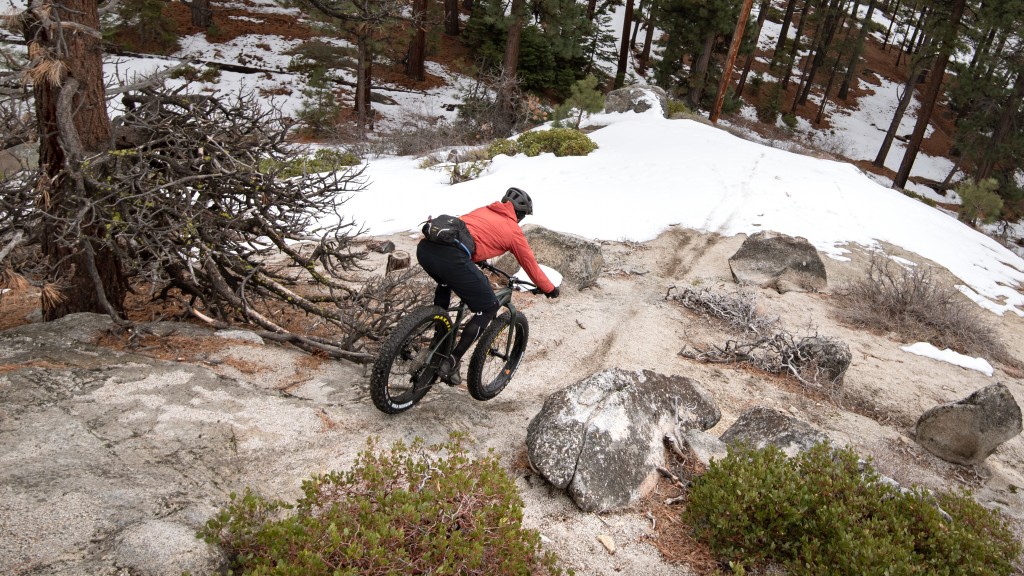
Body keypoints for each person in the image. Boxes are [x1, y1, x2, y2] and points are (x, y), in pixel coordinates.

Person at [416, 187, 559, 385]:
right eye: (522, 217)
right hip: (453, 258)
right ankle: (451, 360)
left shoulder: (484, 210)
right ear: (519, 214)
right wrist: (549, 288)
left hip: (425, 250)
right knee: (489, 306)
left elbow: (467, 235)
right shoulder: (514, 231)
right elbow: (530, 265)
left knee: (445, 280)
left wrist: (478, 258)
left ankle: (434, 333)